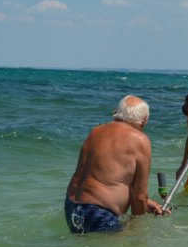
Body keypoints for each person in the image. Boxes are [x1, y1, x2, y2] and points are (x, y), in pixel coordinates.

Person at [65, 95, 167, 234]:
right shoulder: (140, 139)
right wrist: (138, 233)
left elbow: (105, 180)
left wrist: (146, 203)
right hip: (98, 213)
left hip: (72, 207)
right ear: (144, 121)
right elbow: (139, 197)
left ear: (116, 113)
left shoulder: (96, 130)